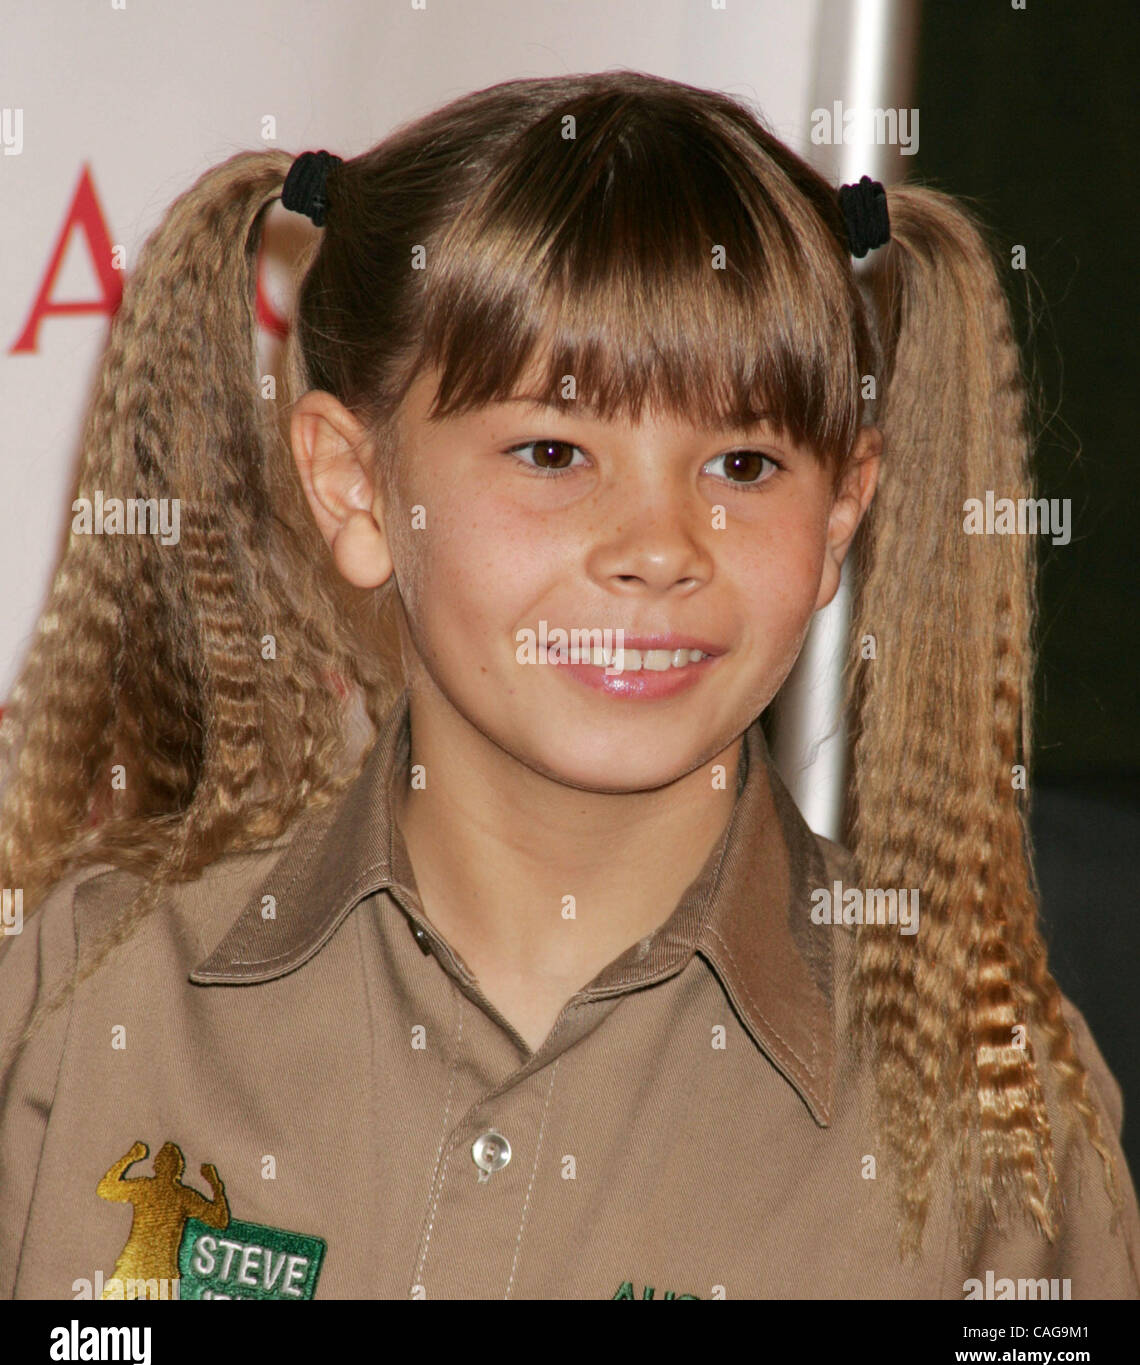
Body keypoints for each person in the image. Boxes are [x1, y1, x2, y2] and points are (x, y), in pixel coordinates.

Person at [1, 71, 1137, 1301]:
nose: (660, 543)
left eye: (745, 462)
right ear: (354, 485)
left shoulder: (994, 1103)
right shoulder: (83, 991)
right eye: (553, 451)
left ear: (840, 513)